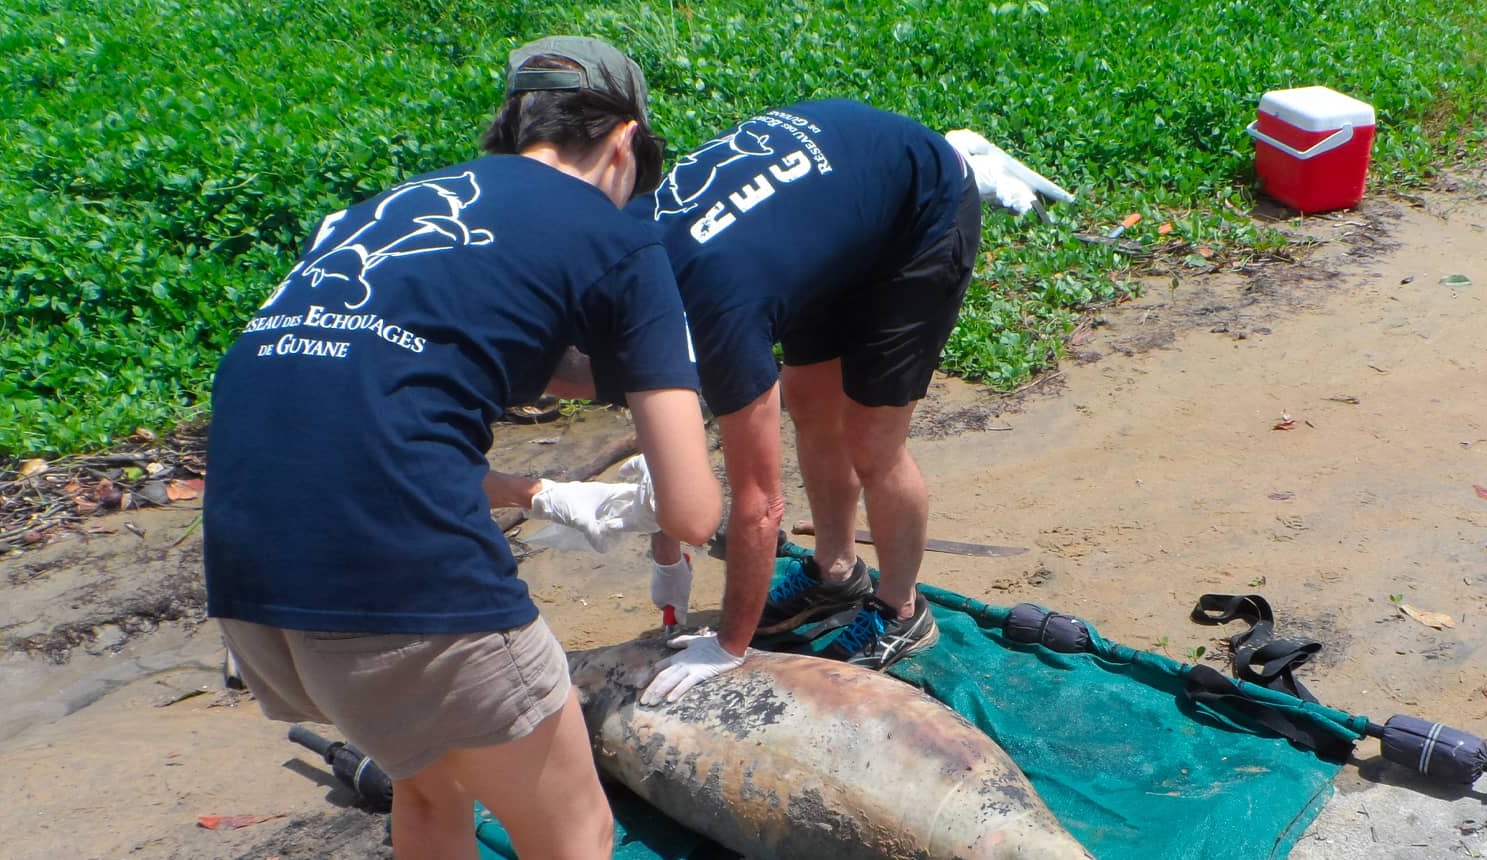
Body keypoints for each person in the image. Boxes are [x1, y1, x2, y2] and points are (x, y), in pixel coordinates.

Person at [201, 37, 720, 860]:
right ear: (624, 141)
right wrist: (673, 394)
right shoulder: (619, 237)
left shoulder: (384, 208)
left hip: (246, 570)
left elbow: (364, 413)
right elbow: (692, 512)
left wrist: (535, 488)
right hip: (406, 581)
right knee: (577, 830)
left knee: (430, 785)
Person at [630, 99, 984, 680]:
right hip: (835, 215)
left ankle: (902, 609)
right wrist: (665, 553)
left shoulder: (721, 314)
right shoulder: (625, 256)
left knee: (873, 440)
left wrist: (728, 646)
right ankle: (836, 571)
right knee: (811, 399)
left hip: (922, 208)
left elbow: (760, 504)